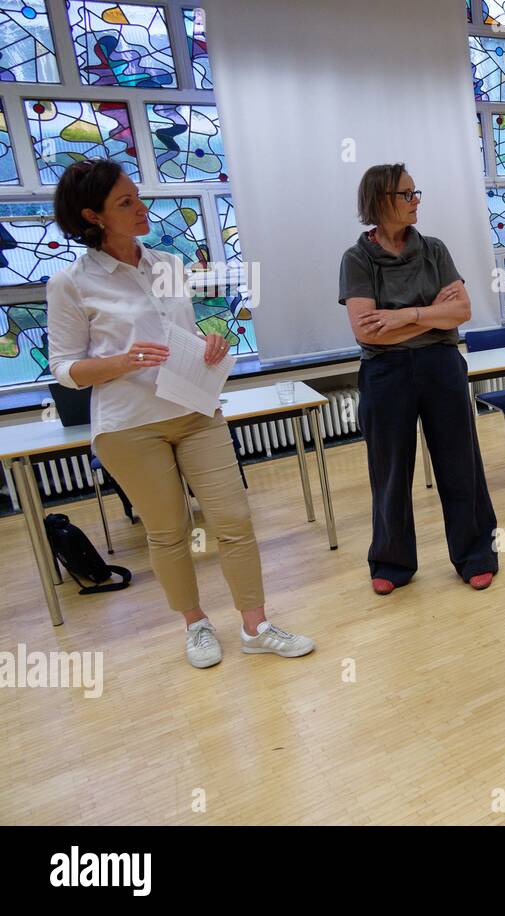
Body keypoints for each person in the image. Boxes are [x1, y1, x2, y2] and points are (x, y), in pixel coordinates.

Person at [46, 159, 315, 668]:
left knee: (234, 517)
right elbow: (64, 368)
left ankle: (256, 625)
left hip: (194, 407)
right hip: (129, 426)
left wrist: (208, 343)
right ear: (93, 216)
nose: (141, 207)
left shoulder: (168, 264)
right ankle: (195, 624)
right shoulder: (72, 284)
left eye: (137, 196)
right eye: (126, 203)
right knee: (168, 530)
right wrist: (120, 362)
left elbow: (180, 336)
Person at [339, 163, 498, 594]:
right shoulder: (357, 258)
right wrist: (433, 316)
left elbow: (462, 311)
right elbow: (365, 330)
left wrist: (403, 316)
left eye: (415, 193)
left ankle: (476, 554)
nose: (415, 201)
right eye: (405, 195)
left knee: (459, 463)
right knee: (389, 469)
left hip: (441, 366)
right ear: (379, 202)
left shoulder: (434, 249)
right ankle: (391, 562)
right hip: (384, 372)